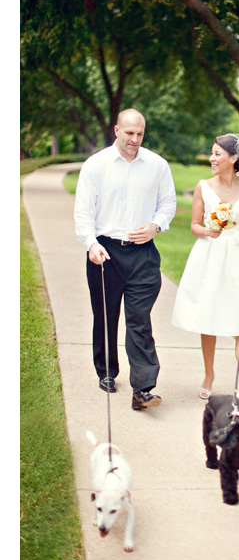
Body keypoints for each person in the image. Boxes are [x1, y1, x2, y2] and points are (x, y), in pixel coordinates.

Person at [74, 108, 177, 410]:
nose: (134, 139)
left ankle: (143, 388)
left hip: (143, 254)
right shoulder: (96, 166)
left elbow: (168, 203)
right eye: (129, 133)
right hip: (105, 252)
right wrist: (91, 244)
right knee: (106, 317)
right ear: (117, 130)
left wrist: (156, 226)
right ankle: (106, 371)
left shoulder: (157, 166)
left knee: (139, 321)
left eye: (140, 134)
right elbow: (83, 212)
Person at [171, 133, 239, 411]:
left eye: (217, 154)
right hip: (211, 255)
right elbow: (194, 225)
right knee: (210, 318)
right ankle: (209, 374)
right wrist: (208, 230)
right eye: (212, 153)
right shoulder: (202, 187)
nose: (212, 158)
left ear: (233, 158)